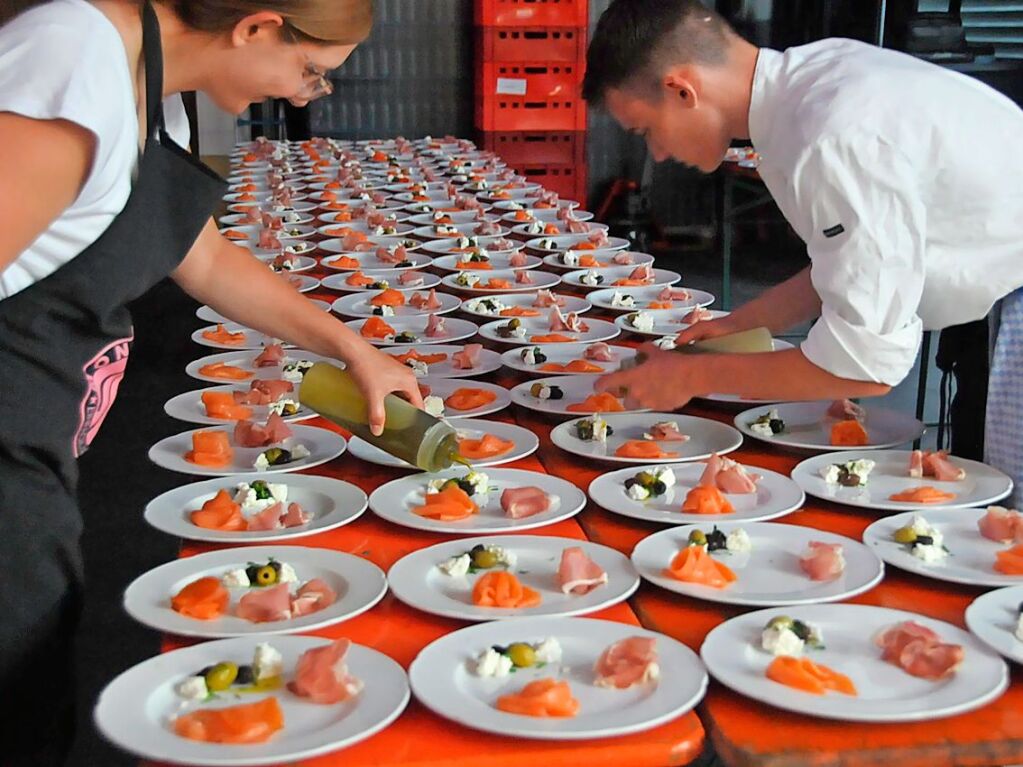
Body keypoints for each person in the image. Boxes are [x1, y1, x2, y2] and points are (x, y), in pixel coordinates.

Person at [0, 0, 421, 762]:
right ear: (255, 27)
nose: (301, 95)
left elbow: (203, 256)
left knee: (34, 673)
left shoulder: (157, 92)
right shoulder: (72, 60)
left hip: (36, 434)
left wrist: (350, 346)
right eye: (310, 72)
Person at [584, 0, 1023, 501]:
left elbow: (864, 364)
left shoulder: (828, 134)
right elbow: (849, 266)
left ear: (683, 90)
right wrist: (742, 326)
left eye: (645, 131)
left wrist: (690, 374)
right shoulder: (808, 84)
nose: (657, 153)